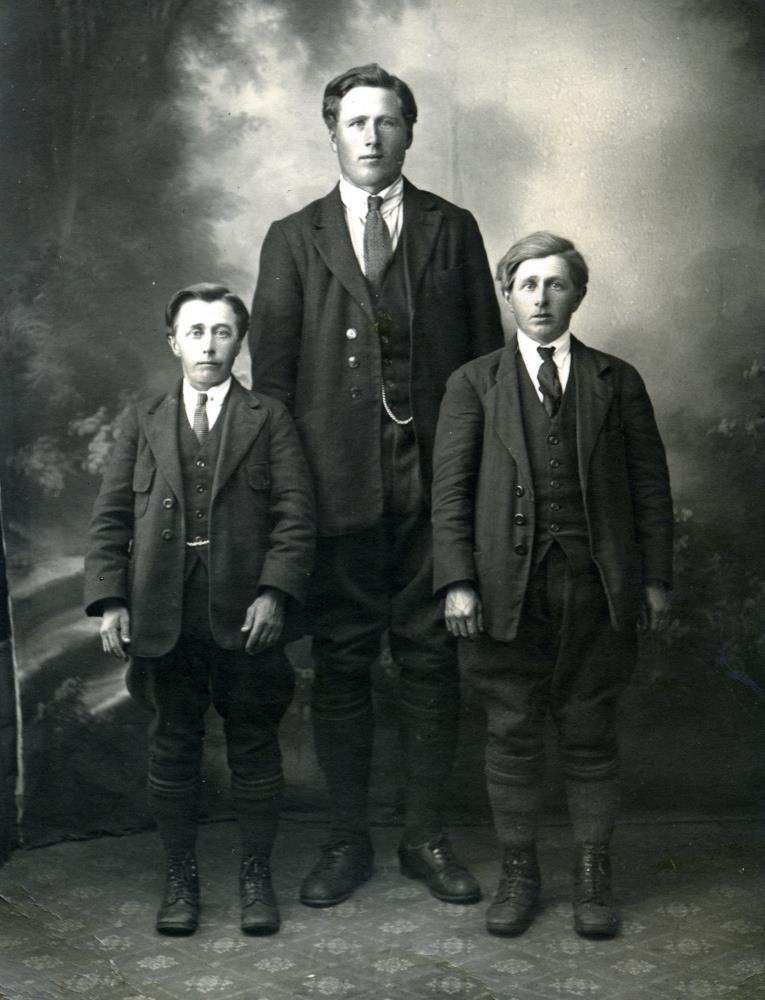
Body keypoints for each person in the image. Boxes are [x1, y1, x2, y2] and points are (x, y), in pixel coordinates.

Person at [250, 63, 503, 908]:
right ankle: (344, 840)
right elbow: (273, 387)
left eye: (386, 121)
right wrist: (289, 500)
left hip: (435, 488)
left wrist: (471, 485)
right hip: (335, 492)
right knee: (343, 664)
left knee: (432, 663)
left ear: (407, 132)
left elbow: (484, 369)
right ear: (332, 133)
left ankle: (425, 837)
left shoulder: (451, 228)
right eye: (355, 122)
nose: (371, 135)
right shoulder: (294, 236)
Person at [431, 232, 673, 938]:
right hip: (504, 589)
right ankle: (518, 873)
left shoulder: (616, 380)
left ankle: (593, 875)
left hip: (597, 587)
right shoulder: (473, 383)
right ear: (506, 295)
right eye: (528, 285)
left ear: (578, 295)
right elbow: (449, 495)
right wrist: (458, 581)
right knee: (511, 731)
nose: (541, 298)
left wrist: (655, 579)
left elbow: (650, 489)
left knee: (589, 730)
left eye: (556, 284)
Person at [84, 283, 315, 936]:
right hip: (163, 614)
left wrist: (274, 593)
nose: (208, 345)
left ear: (239, 342)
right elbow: (109, 519)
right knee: (172, 748)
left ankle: (255, 877)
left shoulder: (268, 418)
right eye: (195, 331)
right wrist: (110, 600)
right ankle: (180, 878)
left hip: (247, 615)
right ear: (173, 343)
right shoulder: (143, 419)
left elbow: (296, 517)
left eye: (222, 331)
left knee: (254, 746)